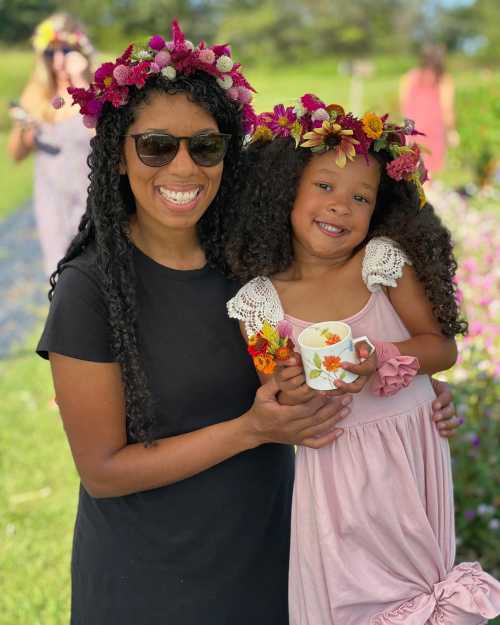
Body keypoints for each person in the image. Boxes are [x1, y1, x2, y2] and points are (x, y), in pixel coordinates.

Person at [36, 24, 459, 624]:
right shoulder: (92, 289)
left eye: (205, 147)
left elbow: (317, 349)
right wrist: (250, 430)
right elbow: (102, 471)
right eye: (157, 145)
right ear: (116, 153)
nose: (183, 167)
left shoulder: (251, 256)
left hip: (277, 565)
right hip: (153, 584)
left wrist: (410, 386)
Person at [227, 94, 500, 625]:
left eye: (361, 198)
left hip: (406, 456)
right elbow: (280, 393)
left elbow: (440, 346)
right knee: (348, 600)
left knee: (418, 587)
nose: (340, 206)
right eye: (325, 187)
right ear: (285, 191)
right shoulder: (260, 301)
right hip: (331, 474)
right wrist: (290, 380)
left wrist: (383, 357)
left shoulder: (382, 263)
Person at [7, 12, 94, 277]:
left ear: (78, 50)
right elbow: (15, 153)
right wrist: (27, 131)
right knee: (60, 273)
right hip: (52, 199)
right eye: (50, 54)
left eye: (65, 51)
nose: (58, 62)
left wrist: (80, 81)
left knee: (98, 269)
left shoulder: (96, 86)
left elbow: (107, 138)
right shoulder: (37, 93)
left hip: (92, 197)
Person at [400, 43, 459, 178]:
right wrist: (451, 130)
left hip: (412, 128)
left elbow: (404, 104)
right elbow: (447, 108)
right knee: (427, 174)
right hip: (433, 130)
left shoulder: (410, 76)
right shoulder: (443, 79)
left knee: (412, 170)